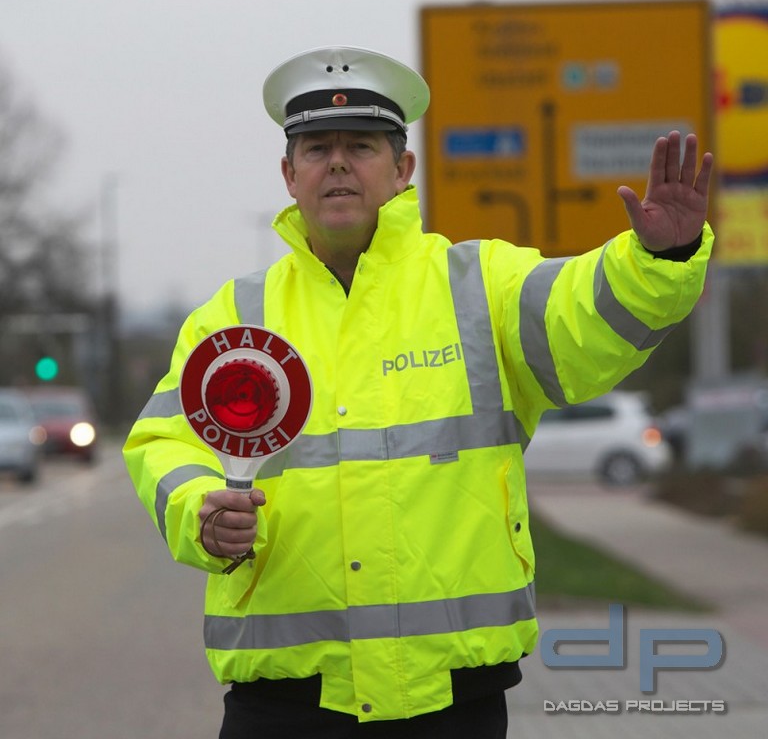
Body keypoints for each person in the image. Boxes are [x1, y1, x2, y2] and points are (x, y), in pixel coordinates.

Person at [123, 45, 714, 738]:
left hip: (452, 706)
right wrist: (199, 512)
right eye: (316, 148)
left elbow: (581, 313)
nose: (337, 163)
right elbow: (164, 442)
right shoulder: (233, 318)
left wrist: (657, 260)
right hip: (281, 702)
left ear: (402, 169)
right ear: (289, 174)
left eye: (361, 146)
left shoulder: (479, 286)